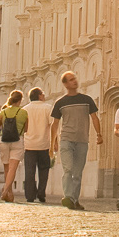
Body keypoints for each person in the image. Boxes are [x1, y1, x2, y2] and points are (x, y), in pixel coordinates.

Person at [48, 71, 103, 210]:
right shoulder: (60, 103)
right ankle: (67, 196)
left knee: (77, 173)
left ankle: (74, 200)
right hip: (66, 139)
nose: (75, 81)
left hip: (82, 141)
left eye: (75, 79)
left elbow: (94, 117)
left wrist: (99, 134)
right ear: (65, 84)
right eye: (71, 80)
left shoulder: (87, 99)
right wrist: (52, 143)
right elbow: (55, 124)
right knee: (68, 169)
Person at [0, 90, 28, 202]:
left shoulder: (4, 112)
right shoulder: (24, 112)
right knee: (13, 168)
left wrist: (1, 123)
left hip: (4, 140)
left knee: (7, 168)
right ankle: (6, 191)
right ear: (20, 100)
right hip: (17, 141)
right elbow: (26, 129)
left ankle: (9, 194)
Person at [21, 87, 53, 204]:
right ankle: (41, 193)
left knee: (29, 171)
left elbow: (23, 128)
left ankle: (29, 195)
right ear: (39, 96)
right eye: (43, 94)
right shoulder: (48, 108)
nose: (44, 96)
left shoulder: (24, 109)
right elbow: (52, 126)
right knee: (44, 170)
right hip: (44, 144)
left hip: (29, 144)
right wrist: (54, 142)